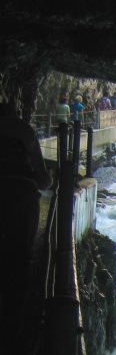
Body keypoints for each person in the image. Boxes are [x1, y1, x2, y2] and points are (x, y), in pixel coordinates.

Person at [0, 101, 52, 319]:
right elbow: (42, 179)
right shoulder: (24, 131)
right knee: (21, 253)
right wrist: (51, 180)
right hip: (22, 196)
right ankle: (13, 312)